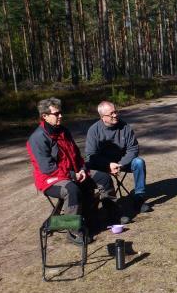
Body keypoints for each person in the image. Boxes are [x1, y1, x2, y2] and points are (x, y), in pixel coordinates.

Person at [26, 98, 114, 244]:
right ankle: (73, 231)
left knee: (102, 177)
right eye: (56, 113)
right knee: (72, 190)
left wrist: (82, 169)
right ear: (45, 116)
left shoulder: (63, 131)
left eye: (61, 112)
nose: (60, 116)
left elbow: (76, 155)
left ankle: (111, 214)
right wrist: (73, 175)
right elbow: (47, 168)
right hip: (50, 179)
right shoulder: (37, 139)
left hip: (74, 172)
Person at [85, 101, 152, 222]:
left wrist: (121, 164)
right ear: (102, 117)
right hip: (103, 165)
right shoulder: (93, 131)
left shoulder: (124, 127)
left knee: (139, 162)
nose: (115, 115)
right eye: (111, 114)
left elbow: (133, 148)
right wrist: (108, 165)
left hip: (122, 163)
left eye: (116, 112)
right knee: (101, 176)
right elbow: (91, 156)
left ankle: (139, 198)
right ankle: (112, 208)